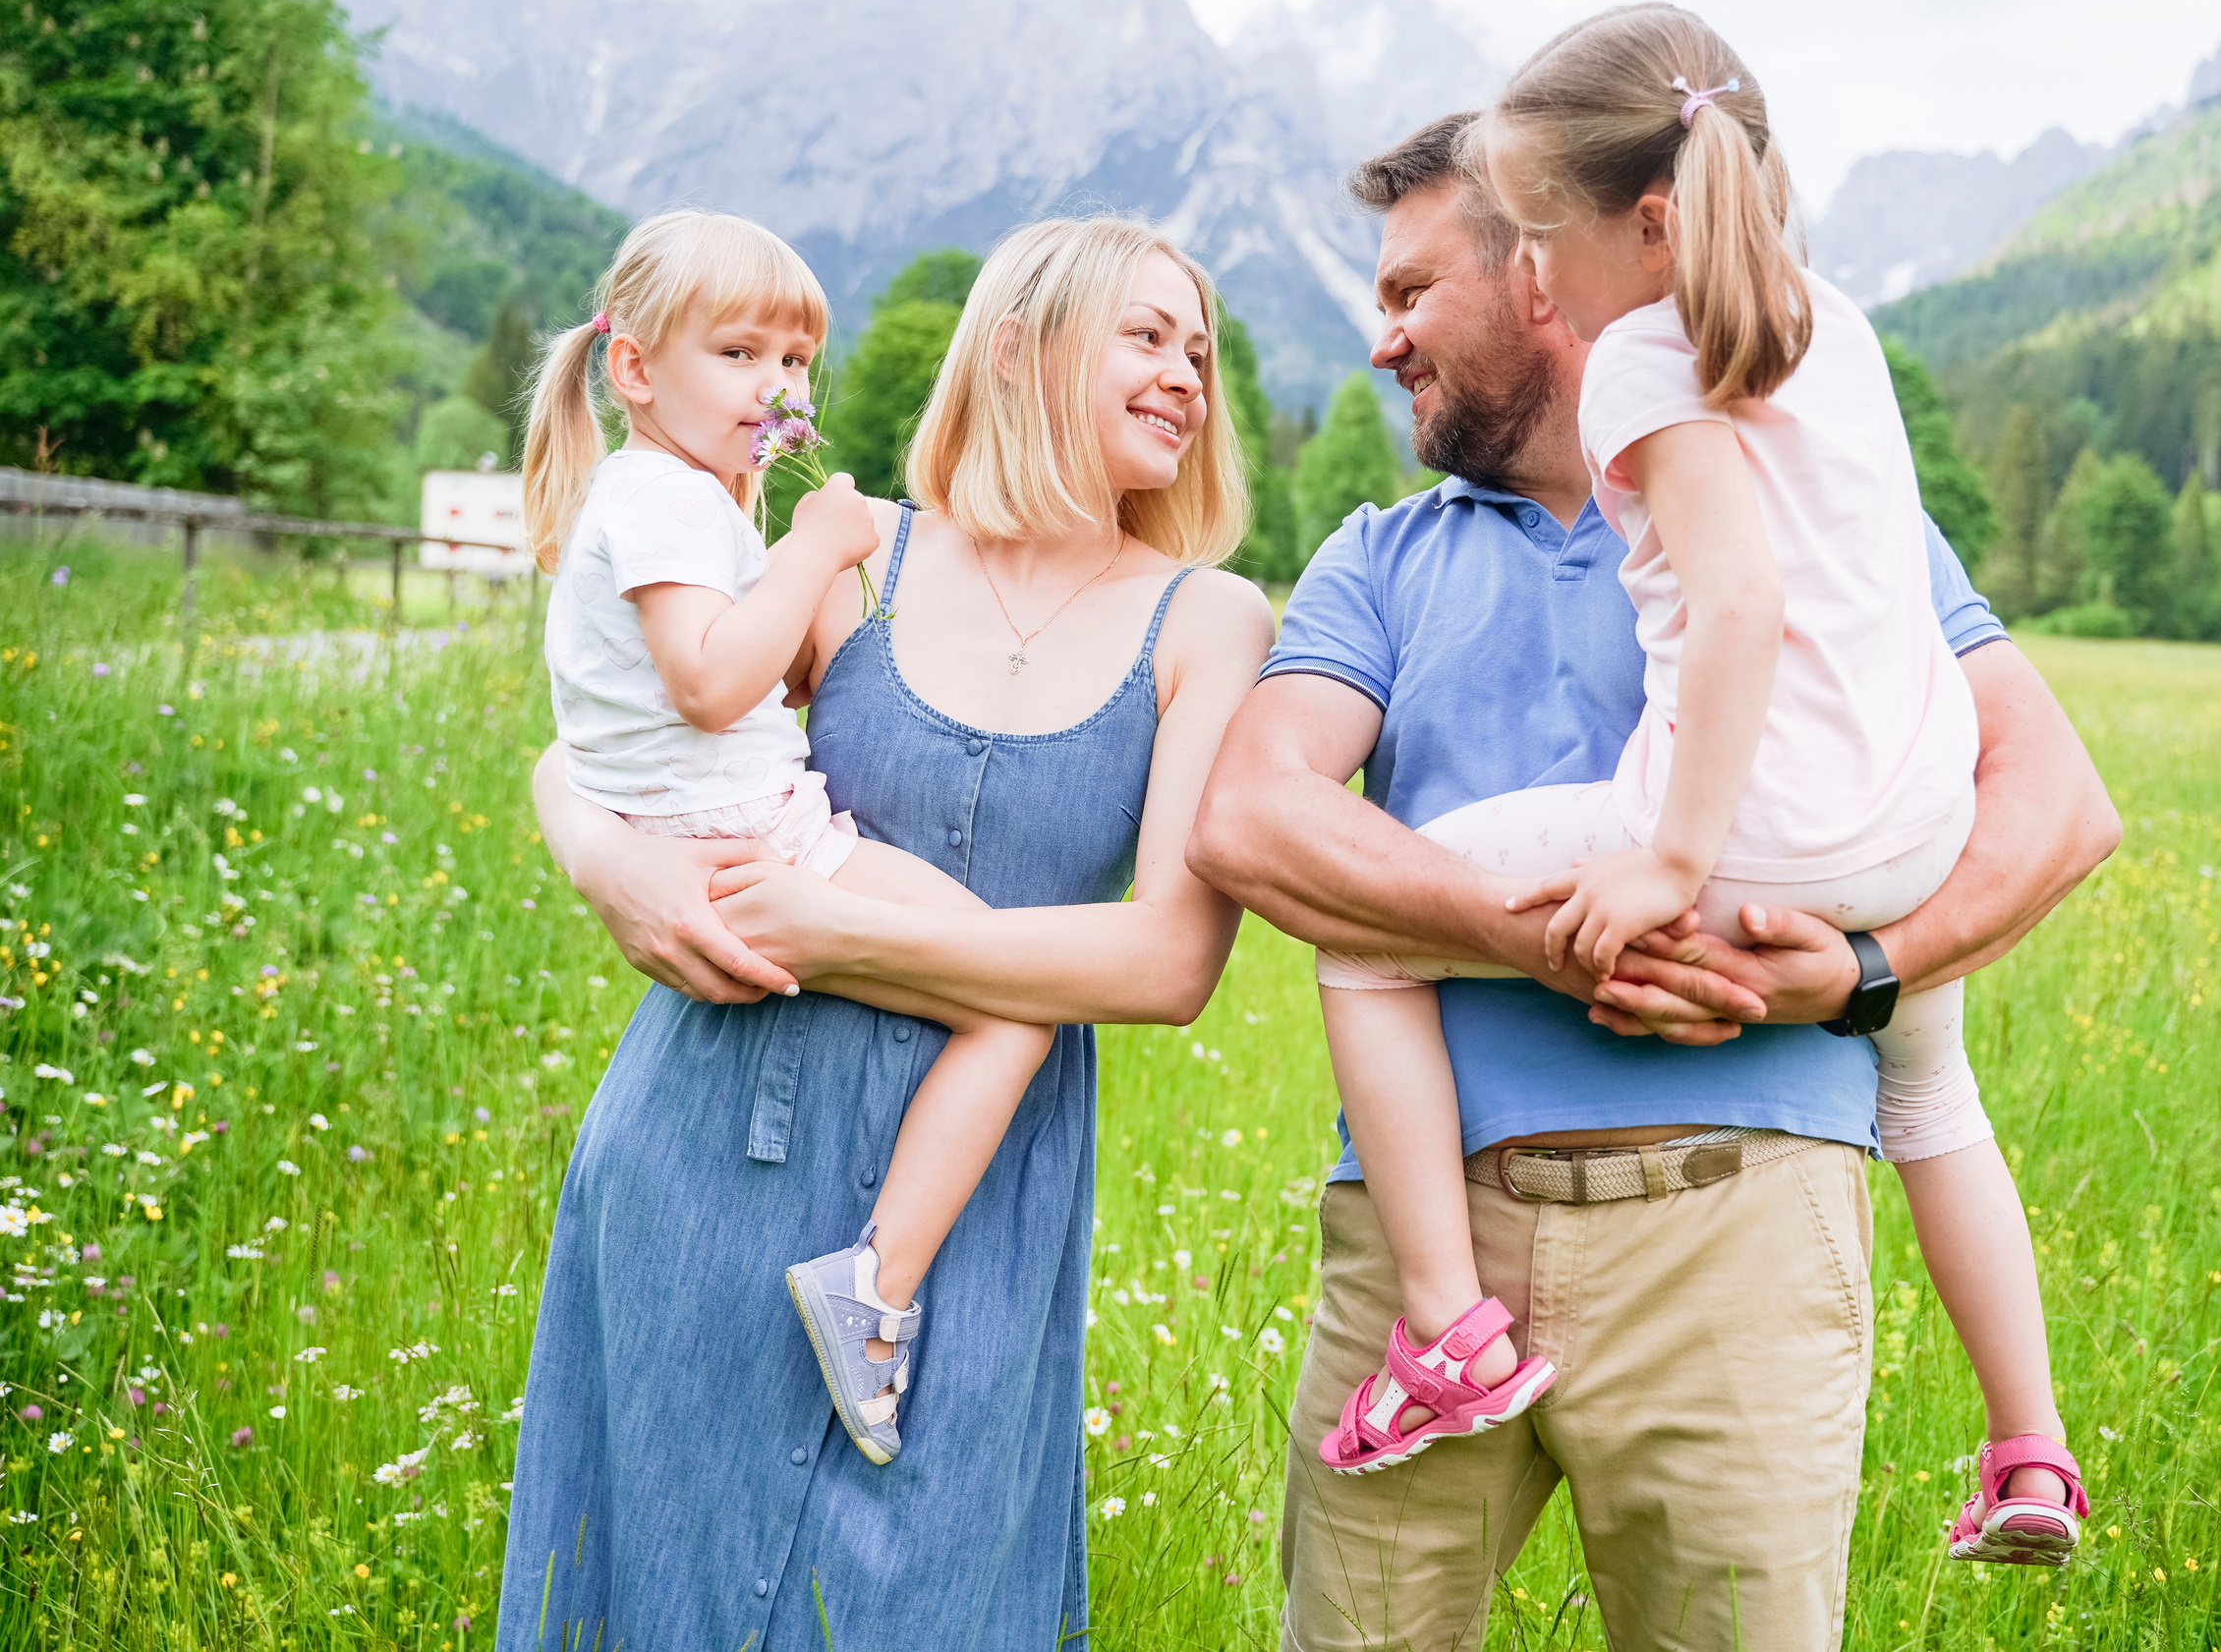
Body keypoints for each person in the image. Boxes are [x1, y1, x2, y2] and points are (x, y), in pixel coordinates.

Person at [1186, 112, 2120, 1648]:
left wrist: (1867, 972)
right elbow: (1249, 817)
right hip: (1423, 1245)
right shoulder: (1378, 555)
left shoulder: (1828, 523)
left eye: (1414, 292)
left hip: (1736, 1236)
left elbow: (2060, 803)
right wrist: (1534, 937)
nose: (1383, 342)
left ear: (1537, 276)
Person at [501, 215, 1276, 1651]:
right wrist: (605, 862)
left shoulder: (1209, 618)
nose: (1188, 376)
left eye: (1202, 352)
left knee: (923, 1591)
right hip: (718, 1120)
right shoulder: (861, 556)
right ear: (1023, 346)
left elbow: (1169, 962)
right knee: (658, 1575)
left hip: (978, 1192)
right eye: (1149, 336)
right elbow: (619, 735)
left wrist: (839, 930)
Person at [521, 208, 1057, 1467]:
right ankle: (876, 1285)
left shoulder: (672, 495)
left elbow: (728, 687)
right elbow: (711, 688)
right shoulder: (663, 501)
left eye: (796, 361)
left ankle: (871, 1281)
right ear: (637, 370)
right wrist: (815, 550)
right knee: (1018, 997)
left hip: (709, 817)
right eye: (740, 355)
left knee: (999, 988)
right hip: (754, 835)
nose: (777, 387)